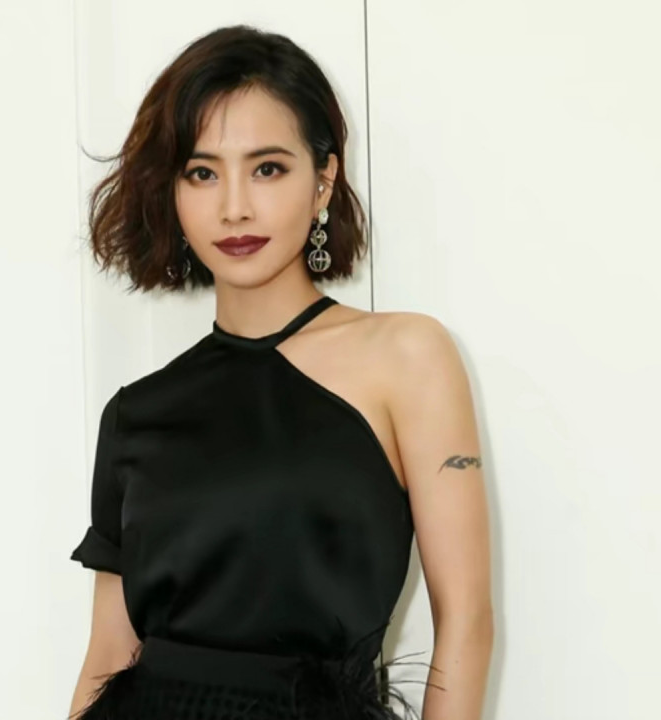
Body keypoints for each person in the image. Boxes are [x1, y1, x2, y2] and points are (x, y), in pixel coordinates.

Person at [67, 23, 494, 720]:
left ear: (324, 180)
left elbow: (467, 621)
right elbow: (109, 656)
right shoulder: (135, 414)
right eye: (202, 172)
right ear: (172, 192)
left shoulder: (408, 356)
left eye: (267, 168)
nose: (234, 206)